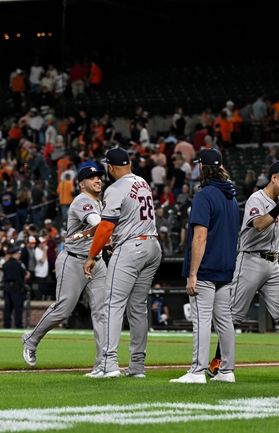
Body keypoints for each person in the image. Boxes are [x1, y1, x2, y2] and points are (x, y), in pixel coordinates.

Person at [206, 160, 279, 380]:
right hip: (250, 260)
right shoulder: (258, 198)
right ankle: (218, 361)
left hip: (272, 263)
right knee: (233, 316)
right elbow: (259, 224)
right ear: (273, 177)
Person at [83, 147, 162, 378]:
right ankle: (137, 366)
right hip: (153, 246)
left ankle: (108, 364)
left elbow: (107, 225)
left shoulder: (116, 187)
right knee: (137, 308)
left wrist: (91, 256)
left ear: (111, 167)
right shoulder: (143, 182)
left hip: (132, 248)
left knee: (112, 304)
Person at [22, 166, 108, 376]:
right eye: (91, 178)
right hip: (74, 261)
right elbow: (98, 224)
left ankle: (104, 363)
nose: (97, 180)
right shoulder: (82, 201)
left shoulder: (100, 202)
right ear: (81, 184)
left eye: (99, 177)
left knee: (102, 312)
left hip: (97, 261)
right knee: (63, 309)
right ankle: (31, 339)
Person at [170, 149, 239, 384]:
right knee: (224, 321)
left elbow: (200, 237)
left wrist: (193, 273)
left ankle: (197, 371)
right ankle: (227, 370)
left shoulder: (204, 195)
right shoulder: (231, 196)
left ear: (202, 167)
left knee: (201, 319)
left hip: (207, 267)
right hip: (226, 267)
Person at [2, 246, 28, 328]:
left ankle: (7, 324)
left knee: (7, 307)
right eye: (18, 253)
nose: (19, 255)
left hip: (7, 287)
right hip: (17, 288)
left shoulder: (5, 264)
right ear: (15, 254)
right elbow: (24, 275)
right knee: (18, 308)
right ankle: (18, 324)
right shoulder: (19, 264)